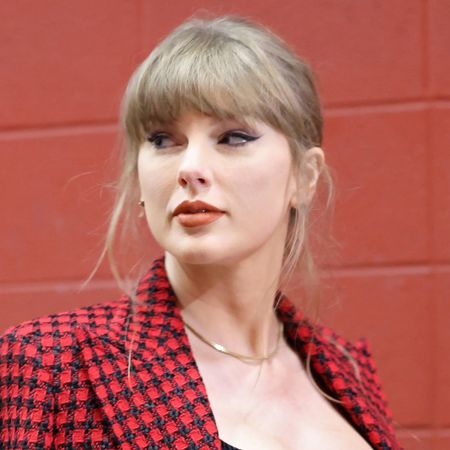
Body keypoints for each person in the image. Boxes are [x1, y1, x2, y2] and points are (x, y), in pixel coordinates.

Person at [0, 14, 402, 450]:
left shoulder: (347, 372)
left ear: (304, 177)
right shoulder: (49, 362)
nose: (190, 168)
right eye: (162, 139)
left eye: (233, 137)